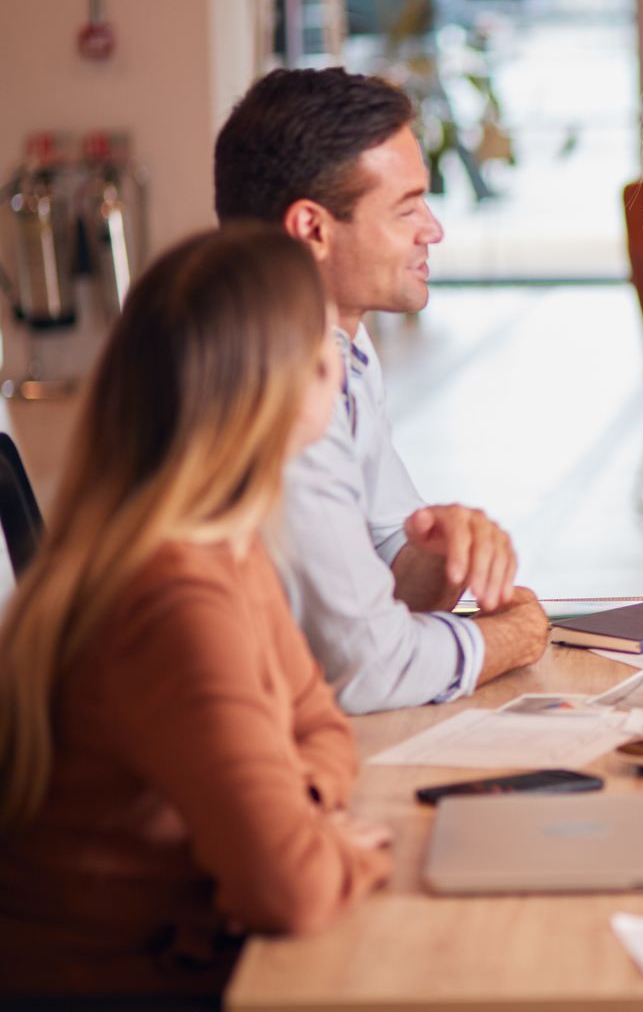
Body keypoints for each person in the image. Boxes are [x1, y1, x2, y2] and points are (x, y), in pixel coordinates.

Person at [0, 227, 392, 1002]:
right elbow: (291, 890)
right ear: (294, 379)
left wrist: (295, 813)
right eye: (328, 342)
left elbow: (322, 728)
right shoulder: (172, 597)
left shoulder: (226, 545)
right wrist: (326, 843)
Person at [215, 68, 548, 713]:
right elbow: (368, 667)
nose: (433, 230)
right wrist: (514, 636)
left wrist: (440, 549)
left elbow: (388, 570)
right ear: (312, 229)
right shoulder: (277, 390)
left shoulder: (342, 347)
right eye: (406, 207)